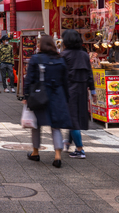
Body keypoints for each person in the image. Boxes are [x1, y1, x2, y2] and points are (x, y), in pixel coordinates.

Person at [23, 35, 72, 168]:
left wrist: (26, 96)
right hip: (58, 96)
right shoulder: (60, 59)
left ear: (40, 45)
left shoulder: (35, 59)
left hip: (40, 96)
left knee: (36, 125)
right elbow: (66, 81)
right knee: (56, 126)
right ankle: (57, 156)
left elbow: (29, 79)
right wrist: (67, 97)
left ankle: (35, 152)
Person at [61, 30, 96, 159]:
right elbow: (89, 74)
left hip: (69, 91)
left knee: (72, 119)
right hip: (82, 91)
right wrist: (93, 91)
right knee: (75, 117)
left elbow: (60, 75)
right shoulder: (84, 55)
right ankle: (68, 142)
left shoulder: (64, 55)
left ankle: (80, 149)